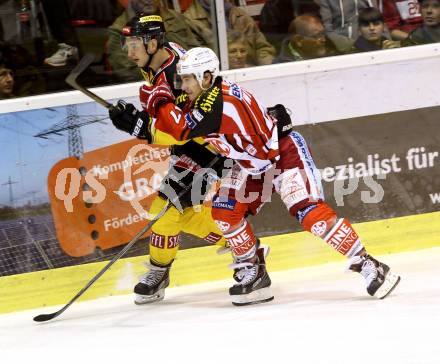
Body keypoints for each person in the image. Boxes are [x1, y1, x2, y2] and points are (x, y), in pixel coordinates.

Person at [126, 47, 401, 305]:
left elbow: (179, 128)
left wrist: (146, 120)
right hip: (247, 162)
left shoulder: (221, 102)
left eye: (188, 80)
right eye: (181, 80)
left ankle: (370, 265)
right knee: (224, 213)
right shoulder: (202, 95)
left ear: (207, 77)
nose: (182, 87)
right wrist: (142, 118)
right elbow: (173, 115)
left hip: (281, 154)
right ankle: (253, 271)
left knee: (309, 215)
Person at [108, 15, 236, 305]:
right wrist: (141, 120)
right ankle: (240, 242)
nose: (128, 52)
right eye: (125, 44)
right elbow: (170, 121)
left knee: (163, 211)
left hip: (212, 147)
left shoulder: (176, 75)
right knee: (180, 214)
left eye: (133, 44)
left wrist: (142, 128)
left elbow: (184, 129)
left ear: (153, 43)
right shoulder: (158, 61)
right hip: (193, 147)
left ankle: (159, 272)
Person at [107, 0, 201, 82]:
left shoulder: (175, 18)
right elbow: (130, 73)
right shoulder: (119, 30)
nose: (150, 0)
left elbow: (196, 51)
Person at [183, 0, 276, 66]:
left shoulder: (240, 14)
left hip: (250, 72)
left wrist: (268, 69)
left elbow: (263, 47)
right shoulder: (188, 20)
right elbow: (199, 60)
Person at [273, 15, 339, 63]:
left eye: (323, 34)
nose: (324, 40)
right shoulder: (280, 68)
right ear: (299, 40)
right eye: (318, 36)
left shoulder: (332, 57)